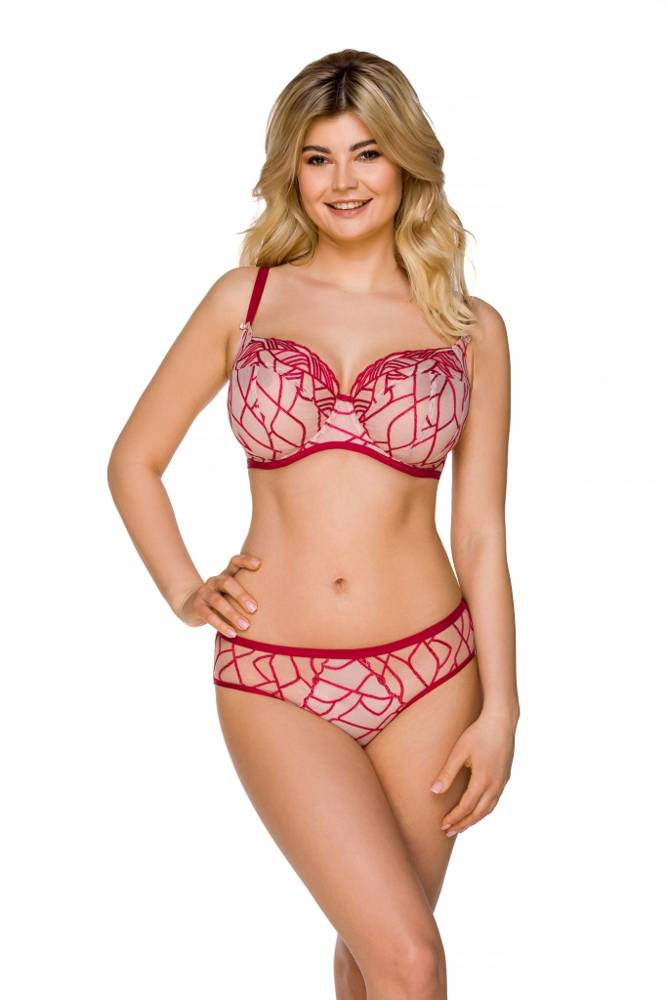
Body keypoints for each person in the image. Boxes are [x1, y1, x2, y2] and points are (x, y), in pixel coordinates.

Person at [108, 48, 519, 1000]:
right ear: (291, 171)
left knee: (373, 956)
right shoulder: (245, 300)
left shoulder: (472, 328)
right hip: (275, 677)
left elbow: (482, 535)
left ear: (406, 161)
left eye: (367, 153)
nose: (344, 181)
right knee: (411, 958)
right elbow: (135, 460)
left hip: (433, 675)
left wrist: (501, 708)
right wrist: (183, 590)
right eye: (318, 157)